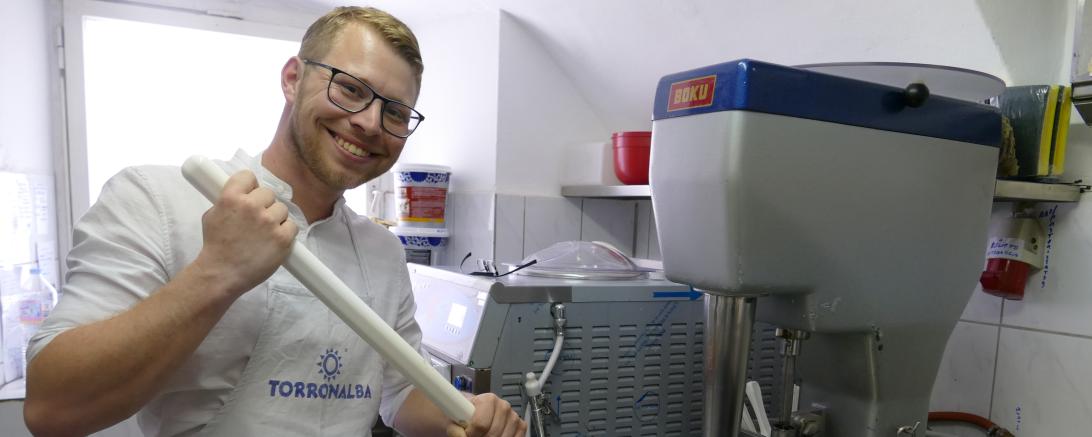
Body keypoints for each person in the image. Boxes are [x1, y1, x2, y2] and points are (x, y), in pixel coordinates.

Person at [23, 6, 525, 437]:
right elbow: (52, 408)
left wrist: (462, 418)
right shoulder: (159, 198)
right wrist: (216, 272)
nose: (370, 123)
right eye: (350, 88)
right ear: (292, 78)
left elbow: (400, 394)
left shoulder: (383, 251)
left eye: (396, 112)